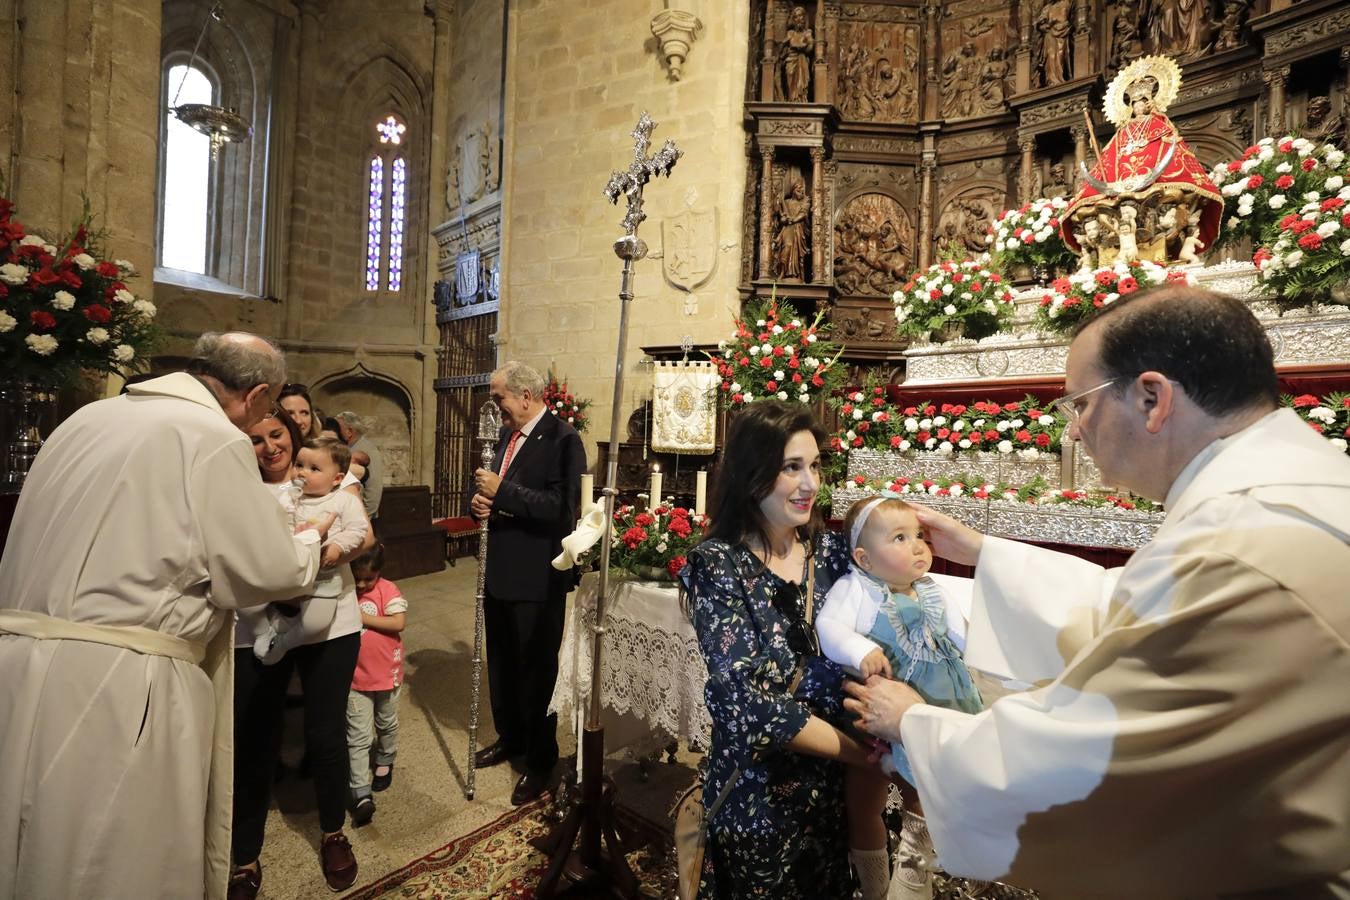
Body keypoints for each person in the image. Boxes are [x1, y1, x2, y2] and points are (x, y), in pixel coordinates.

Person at [843, 286, 1350, 898]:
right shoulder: (1292, 487)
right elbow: (1126, 610)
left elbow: (1090, 758)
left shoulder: (1234, 542)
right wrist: (983, 553)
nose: (1076, 433)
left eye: (1080, 404)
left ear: (1152, 397)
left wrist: (917, 724)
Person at [0, 332, 324, 900]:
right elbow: (261, 570)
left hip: (19, 662)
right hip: (120, 680)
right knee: (112, 854)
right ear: (258, 396)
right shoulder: (213, 437)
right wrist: (311, 543)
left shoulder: (84, 420)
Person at [679, 400, 872, 899]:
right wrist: (864, 756)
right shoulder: (718, 566)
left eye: (814, 466)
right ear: (752, 473)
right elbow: (746, 706)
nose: (810, 483)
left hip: (835, 799)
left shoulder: (832, 556)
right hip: (760, 802)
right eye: (792, 467)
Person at [230, 411, 375, 899]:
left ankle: (333, 832)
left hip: (331, 622)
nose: (270, 447)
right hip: (256, 626)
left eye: (277, 436)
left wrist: (330, 551)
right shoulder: (239, 488)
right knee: (253, 737)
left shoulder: (336, 490)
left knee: (326, 733)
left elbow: (363, 536)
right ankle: (244, 856)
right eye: (256, 440)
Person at [818, 495, 983, 900]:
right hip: (877, 713)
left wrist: (976, 655)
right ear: (865, 558)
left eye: (920, 537)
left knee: (924, 791)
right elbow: (828, 626)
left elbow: (962, 635)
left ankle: (913, 871)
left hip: (937, 707)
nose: (917, 547)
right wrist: (860, 650)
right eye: (899, 537)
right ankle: (873, 882)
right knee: (863, 798)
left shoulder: (933, 590)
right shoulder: (856, 588)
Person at [469, 361, 587, 805]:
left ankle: (541, 760)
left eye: (499, 397)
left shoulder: (563, 439)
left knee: (536, 671)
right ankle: (511, 737)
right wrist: (481, 500)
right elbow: (485, 485)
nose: (495, 406)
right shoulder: (504, 435)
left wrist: (504, 493)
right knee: (500, 662)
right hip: (497, 570)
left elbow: (564, 508)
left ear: (525, 396)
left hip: (537, 574)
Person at [1063, 59, 1222, 261]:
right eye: (1134, 104)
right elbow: (1111, 157)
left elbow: (1170, 147)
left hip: (1153, 181)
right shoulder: (1123, 132)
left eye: (1141, 103)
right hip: (1120, 184)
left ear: (1149, 103)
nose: (1138, 108)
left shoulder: (1160, 126)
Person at [253, 437, 369, 665]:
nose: (302, 473)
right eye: (299, 465)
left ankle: (283, 642)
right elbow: (275, 525)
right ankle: (262, 631)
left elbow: (358, 530)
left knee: (316, 623)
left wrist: (337, 546)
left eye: (313, 468)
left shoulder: (344, 500)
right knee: (249, 604)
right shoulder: (289, 497)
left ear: (337, 478)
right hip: (287, 569)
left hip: (323, 576)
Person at [345, 543, 406, 827]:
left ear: (379, 572)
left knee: (386, 722)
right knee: (357, 734)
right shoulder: (347, 592)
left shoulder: (387, 590)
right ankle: (360, 792)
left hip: (386, 673)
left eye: (368, 578)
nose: (361, 584)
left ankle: (384, 757)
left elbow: (398, 622)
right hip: (356, 677)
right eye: (357, 577)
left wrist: (363, 617)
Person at [335, 411, 384, 524]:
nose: (335, 432)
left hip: (361, 521)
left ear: (349, 432)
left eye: (338, 428)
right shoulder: (345, 448)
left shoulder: (368, 450)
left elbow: (373, 492)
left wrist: (363, 521)